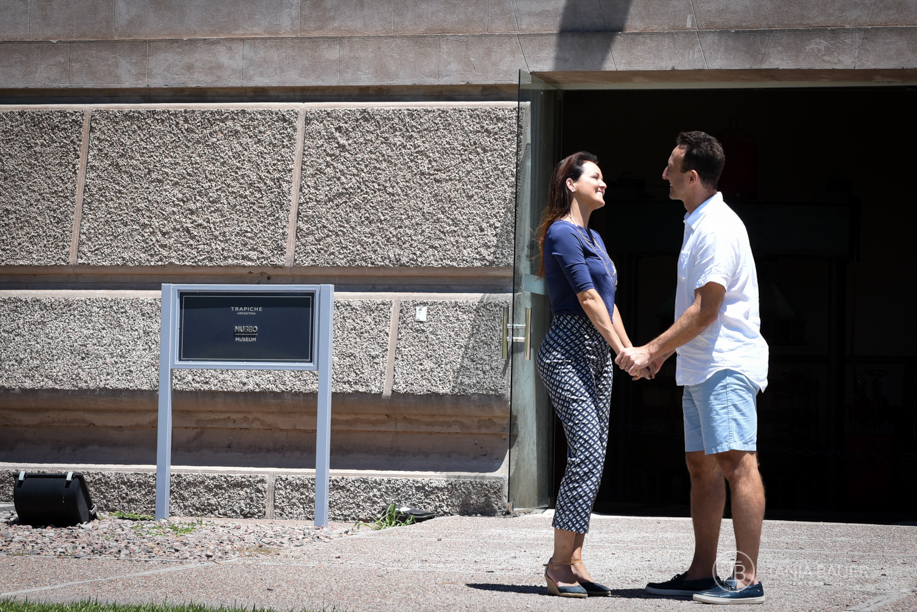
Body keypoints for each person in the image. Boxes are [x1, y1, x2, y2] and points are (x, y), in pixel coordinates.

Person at [615, 131, 769, 604]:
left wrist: (650, 350)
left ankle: (747, 581)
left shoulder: (718, 227)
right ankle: (703, 573)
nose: (663, 174)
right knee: (701, 467)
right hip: (702, 366)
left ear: (693, 177)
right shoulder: (698, 223)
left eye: (670, 168)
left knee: (736, 461)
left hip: (725, 363)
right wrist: (663, 355)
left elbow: (707, 309)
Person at [536, 151, 648, 598]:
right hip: (566, 350)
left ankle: (577, 560)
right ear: (571, 183)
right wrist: (623, 350)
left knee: (595, 455)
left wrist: (631, 351)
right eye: (595, 177)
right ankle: (558, 564)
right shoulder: (562, 232)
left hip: (598, 354)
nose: (604, 184)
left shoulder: (595, 239)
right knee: (585, 449)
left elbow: (609, 303)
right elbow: (585, 298)